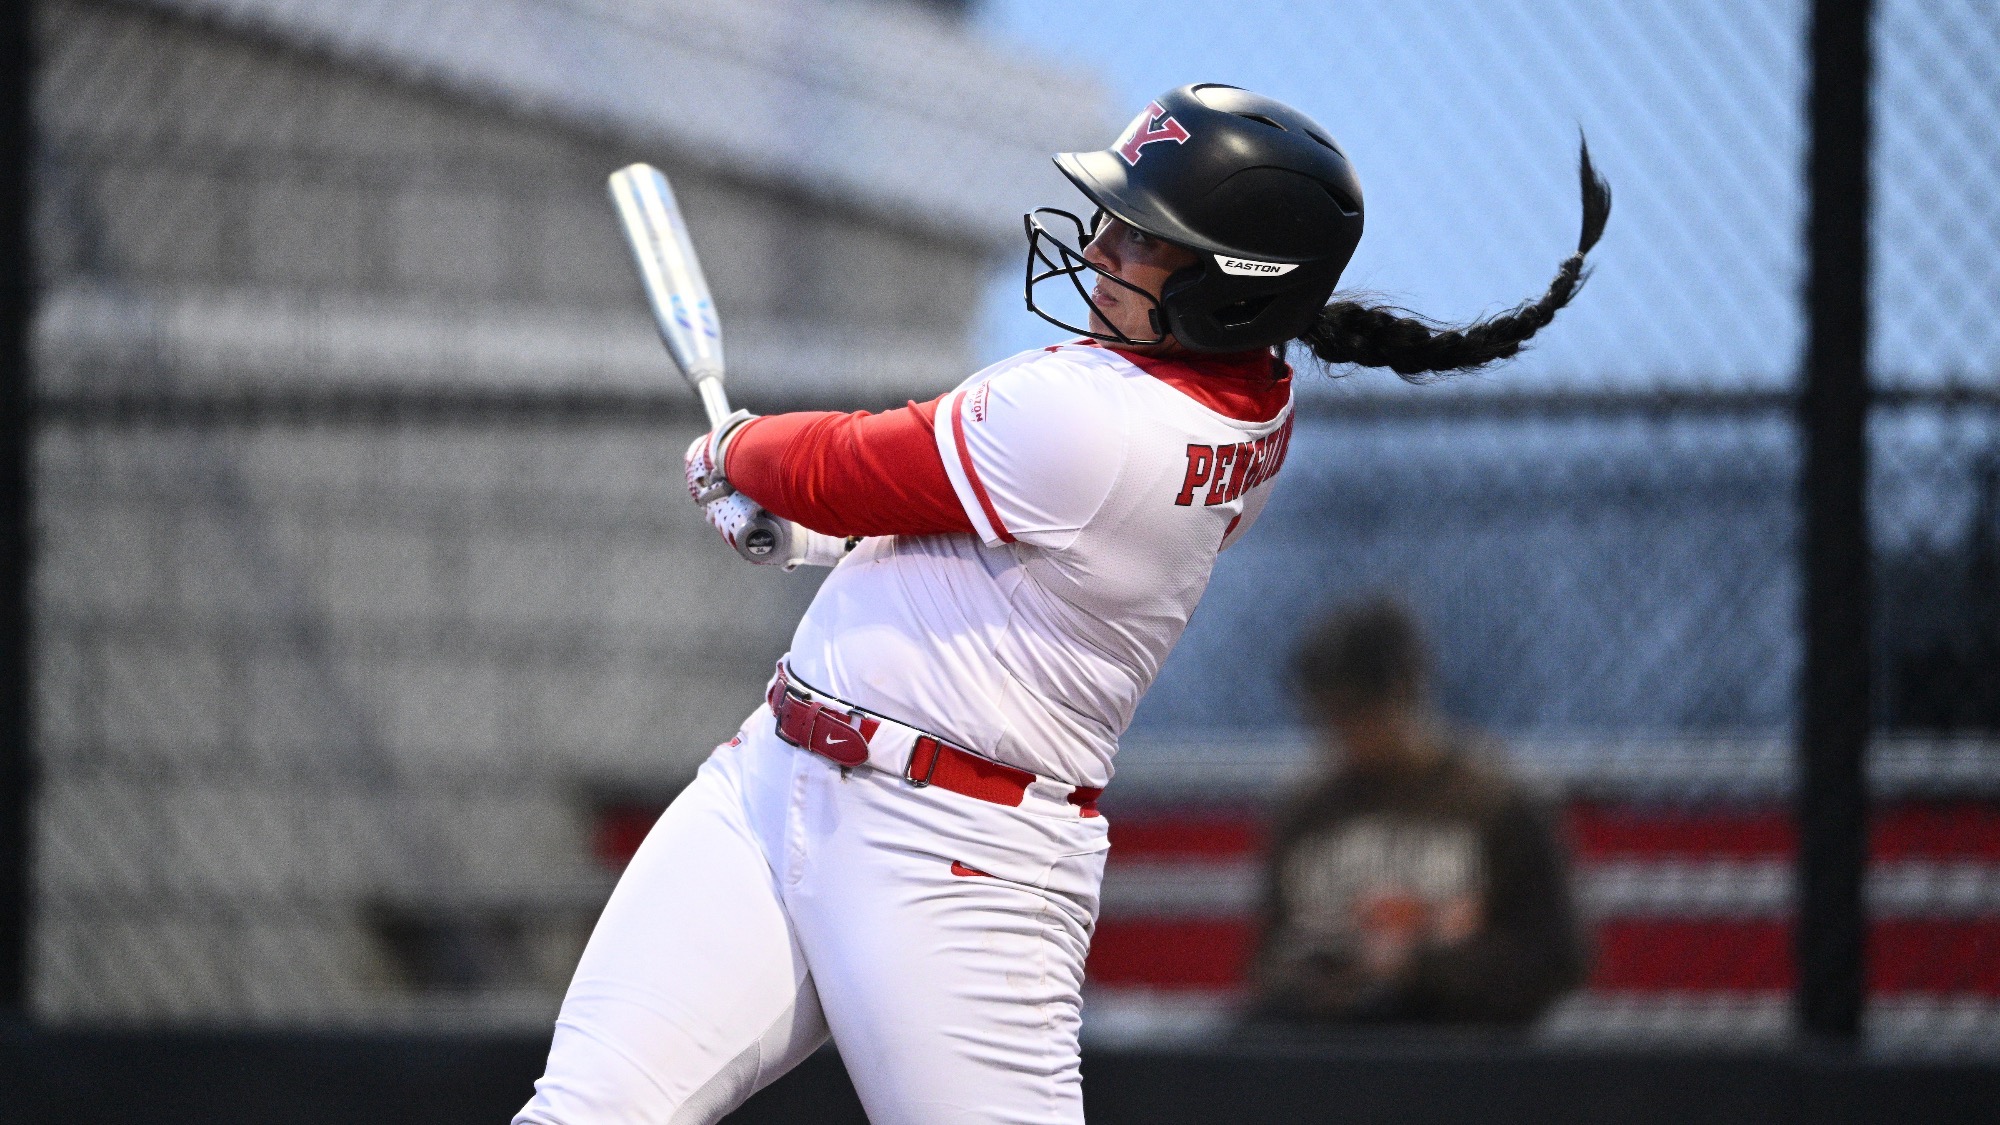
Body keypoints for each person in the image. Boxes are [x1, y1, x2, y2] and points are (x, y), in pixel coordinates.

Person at [516, 84, 1610, 1124]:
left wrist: (734, 451)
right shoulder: (1238, 401)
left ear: (1231, 282)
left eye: (1142, 237)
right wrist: (800, 525)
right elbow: (971, 527)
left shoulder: (1094, 421)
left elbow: (836, 463)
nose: (1099, 249)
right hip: (772, 782)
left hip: (951, 856)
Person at [1248, 598, 1586, 1028]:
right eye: (1327, 718)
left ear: (1405, 691)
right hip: (1331, 1046)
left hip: (1459, 1044)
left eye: (1359, 713)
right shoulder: (1309, 810)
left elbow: (1557, 959)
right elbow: (1268, 960)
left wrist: (1413, 966)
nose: (1344, 735)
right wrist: (1320, 976)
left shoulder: (1494, 801)